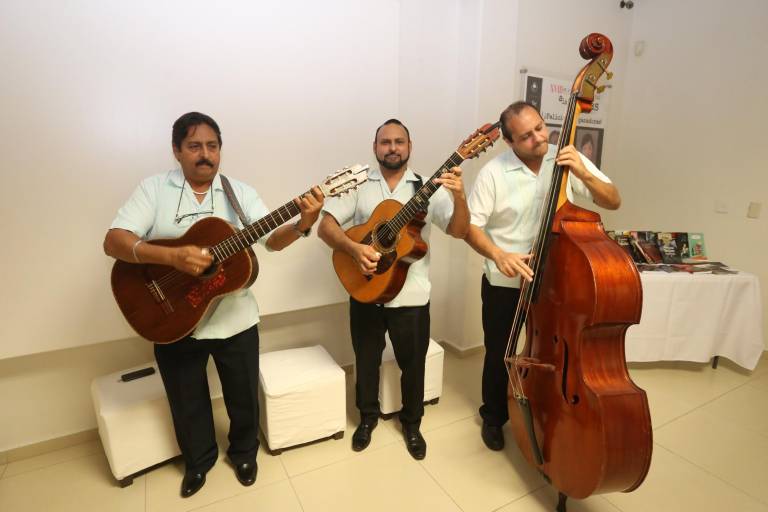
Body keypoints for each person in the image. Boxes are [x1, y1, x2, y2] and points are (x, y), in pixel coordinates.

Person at [103, 112, 323, 498]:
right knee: (186, 399)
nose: (205, 154)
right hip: (171, 319)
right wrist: (170, 258)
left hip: (235, 318)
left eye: (212, 146)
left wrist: (304, 223)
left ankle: (244, 454)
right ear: (176, 151)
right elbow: (114, 240)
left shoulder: (239, 193)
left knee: (242, 394)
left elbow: (271, 241)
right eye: (194, 146)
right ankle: (199, 462)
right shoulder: (154, 189)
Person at [464, 101, 620, 451]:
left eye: (539, 128)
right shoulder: (493, 172)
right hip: (506, 282)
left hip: (557, 281)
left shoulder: (566, 158)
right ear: (509, 142)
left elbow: (612, 200)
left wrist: (583, 171)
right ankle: (493, 417)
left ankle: (548, 409)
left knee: (553, 353)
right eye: (525, 136)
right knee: (500, 352)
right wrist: (498, 254)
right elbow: (471, 227)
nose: (538, 138)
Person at [317, 119, 469, 460]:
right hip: (365, 291)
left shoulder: (429, 187)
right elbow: (325, 227)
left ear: (410, 146)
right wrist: (354, 249)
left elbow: (459, 231)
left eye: (399, 141)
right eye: (385, 142)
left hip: (411, 295)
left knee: (412, 364)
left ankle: (412, 423)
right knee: (366, 360)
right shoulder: (358, 185)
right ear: (375, 148)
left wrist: (459, 197)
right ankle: (367, 418)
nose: (392, 147)